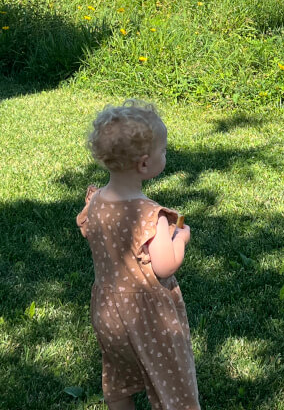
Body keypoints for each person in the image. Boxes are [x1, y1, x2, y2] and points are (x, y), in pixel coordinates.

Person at [76, 100, 200, 410]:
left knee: (118, 379)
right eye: (163, 151)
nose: (166, 155)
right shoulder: (150, 216)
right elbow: (164, 265)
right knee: (173, 382)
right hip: (149, 318)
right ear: (144, 164)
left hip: (108, 313)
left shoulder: (96, 201)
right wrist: (180, 237)